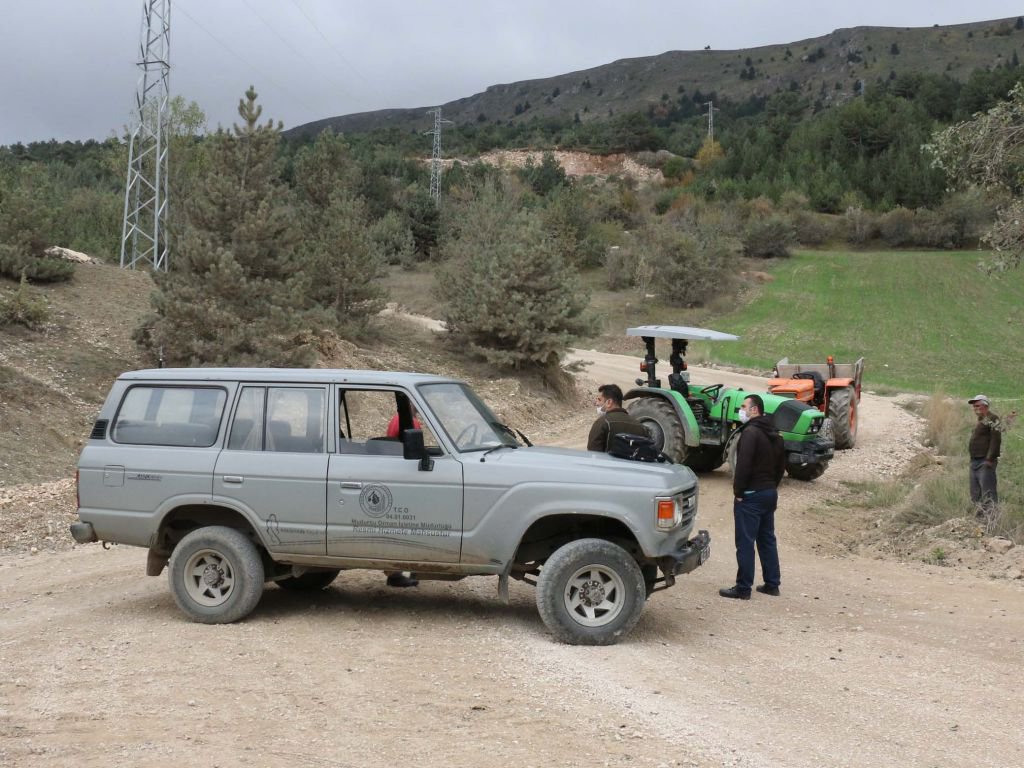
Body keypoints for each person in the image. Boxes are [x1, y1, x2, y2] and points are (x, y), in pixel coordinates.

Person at [720, 394, 785, 600]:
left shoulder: (750, 433)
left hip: (751, 495)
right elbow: (781, 466)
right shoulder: (775, 433)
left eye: (743, 406)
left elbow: (743, 465)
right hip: (769, 493)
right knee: (767, 539)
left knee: (745, 542)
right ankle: (772, 584)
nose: (741, 410)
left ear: (754, 409)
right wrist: (772, 486)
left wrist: (738, 492)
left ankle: (743, 588)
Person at [967, 394, 1001, 517]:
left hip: (984, 462)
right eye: (974, 406)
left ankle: (991, 520)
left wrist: (989, 459)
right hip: (975, 461)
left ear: (985, 405)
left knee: (988, 493)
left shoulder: (993, 418)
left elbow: (996, 440)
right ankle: (979, 519)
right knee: (975, 493)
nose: (975, 408)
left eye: (977, 405)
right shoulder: (981, 419)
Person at [587, 384, 646, 452]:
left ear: (609, 402)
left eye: (599, 400)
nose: (596, 403)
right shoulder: (641, 427)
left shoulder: (602, 423)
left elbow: (593, 454)